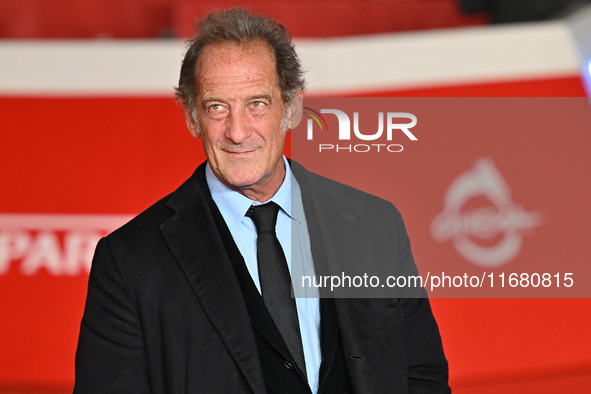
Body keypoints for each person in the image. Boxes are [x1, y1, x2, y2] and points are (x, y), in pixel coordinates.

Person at [75, 7, 450, 393]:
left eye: (257, 104)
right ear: (191, 117)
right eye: (217, 107)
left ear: (291, 108)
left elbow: (421, 376)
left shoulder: (374, 224)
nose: (237, 132)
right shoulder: (131, 260)